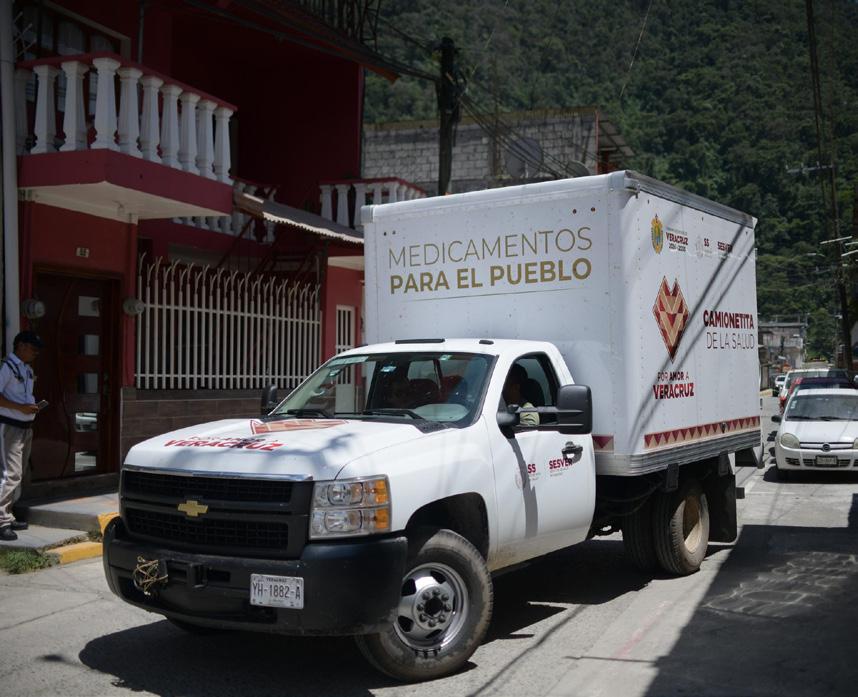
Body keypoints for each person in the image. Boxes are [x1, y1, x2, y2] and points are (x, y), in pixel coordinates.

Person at [0, 331, 43, 541]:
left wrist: (31, 408)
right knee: (11, 474)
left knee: (19, 474)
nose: (35, 353)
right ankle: (1, 521)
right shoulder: (6, 367)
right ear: (21, 346)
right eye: (33, 349)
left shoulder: (26, 369)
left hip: (26, 427)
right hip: (10, 427)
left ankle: (8, 514)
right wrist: (21, 408)